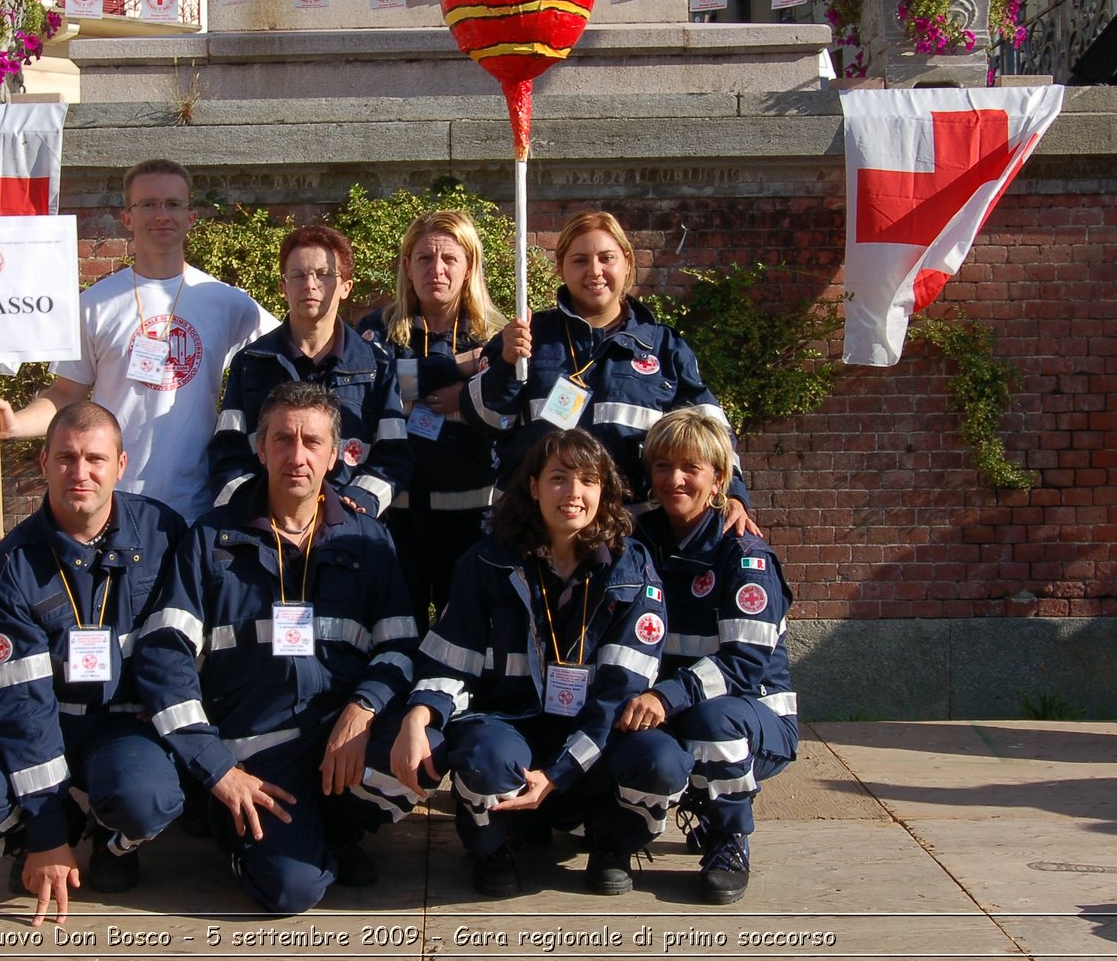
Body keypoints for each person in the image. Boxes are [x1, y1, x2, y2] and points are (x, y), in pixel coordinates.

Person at [136, 381, 420, 914]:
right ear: (259, 449)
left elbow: (402, 644)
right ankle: (239, 825)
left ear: (335, 456)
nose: (297, 456)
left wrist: (364, 709)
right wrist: (216, 766)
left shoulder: (368, 539)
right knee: (291, 893)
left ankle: (336, 831)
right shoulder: (210, 539)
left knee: (426, 755)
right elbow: (164, 658)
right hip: (254, 749)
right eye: (283, 439)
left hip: (340, 734)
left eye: (312, 442)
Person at [384, 428, 693, 898]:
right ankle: (493, 846)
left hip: (593, 736)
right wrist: (417, 716)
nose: (574, 493)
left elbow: (619, 694)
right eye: (558, 478)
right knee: (486, 757)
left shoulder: (631, 569)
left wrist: (559, 772)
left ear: (604, 490)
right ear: (532, 486)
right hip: (510, 725)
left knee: (662, 761)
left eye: (588, 480)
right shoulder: (487, 562)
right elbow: (451, 660)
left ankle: (612, 840)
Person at [0, 402, 188, 926]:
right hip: (44, 719)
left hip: (121, 724)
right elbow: (19, 704)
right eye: (65, 458)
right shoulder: (9, 569)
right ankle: (45, 831)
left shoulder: (162, 533)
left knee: (149, 799)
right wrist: (44, 836)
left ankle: (113, 843)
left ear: (121, 464)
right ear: (43, 463)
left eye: (94, 459)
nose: (79, 473)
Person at [0, 159, 277, 520]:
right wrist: (15, 424)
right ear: (127, 218)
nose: (161, 214)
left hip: (198, 508)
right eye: (147, 204)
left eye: (173, 204)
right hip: (112, 506)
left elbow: (291, 356)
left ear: (191, 217)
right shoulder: (94, 305)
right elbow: (66, 395)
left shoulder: (227, 302)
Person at [461, 210, 758, 535]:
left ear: (627, 262)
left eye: (607, 258)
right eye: (580, 260)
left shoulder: (665, 348)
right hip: (533, 529)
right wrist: (505, 363)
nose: (595, 271)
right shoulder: (526, 337)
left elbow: (712, 432)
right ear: (560, 267)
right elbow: (483, 420)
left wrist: (734, 494)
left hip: (632, 533)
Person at [623, 407, 799, 905]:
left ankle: (728, 838)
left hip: (750, 715)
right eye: (661, 466)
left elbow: (744, 664)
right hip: (669, 706)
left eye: (689, 468)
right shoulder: (639, 539)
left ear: (719, 478)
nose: (673, 479)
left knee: (711, 721)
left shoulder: (744, 554)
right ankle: (621, 825)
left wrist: (665, 695)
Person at [356, 210, 507, 627]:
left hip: (472, 522)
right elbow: (373, 386)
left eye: (449, 259)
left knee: (465, 636)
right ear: (406, 266)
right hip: (396, 520)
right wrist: (457, 368)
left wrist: (469, 398)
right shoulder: (377, 330)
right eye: (423, 258)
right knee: (396, 633)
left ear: (470, 266)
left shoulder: (495, 338)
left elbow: (508, 407)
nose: (436, 270)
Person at [209, 224, 410, 517]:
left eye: (324, 275)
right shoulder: (250, 363)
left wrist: (359, 502)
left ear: (346, 287)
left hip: (348, 530)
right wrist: (252, 508)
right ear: (283, 286)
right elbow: (227, 453)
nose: (310, 285)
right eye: (298, 275)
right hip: (267, 528)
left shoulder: (376, 366)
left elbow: (393, 456)